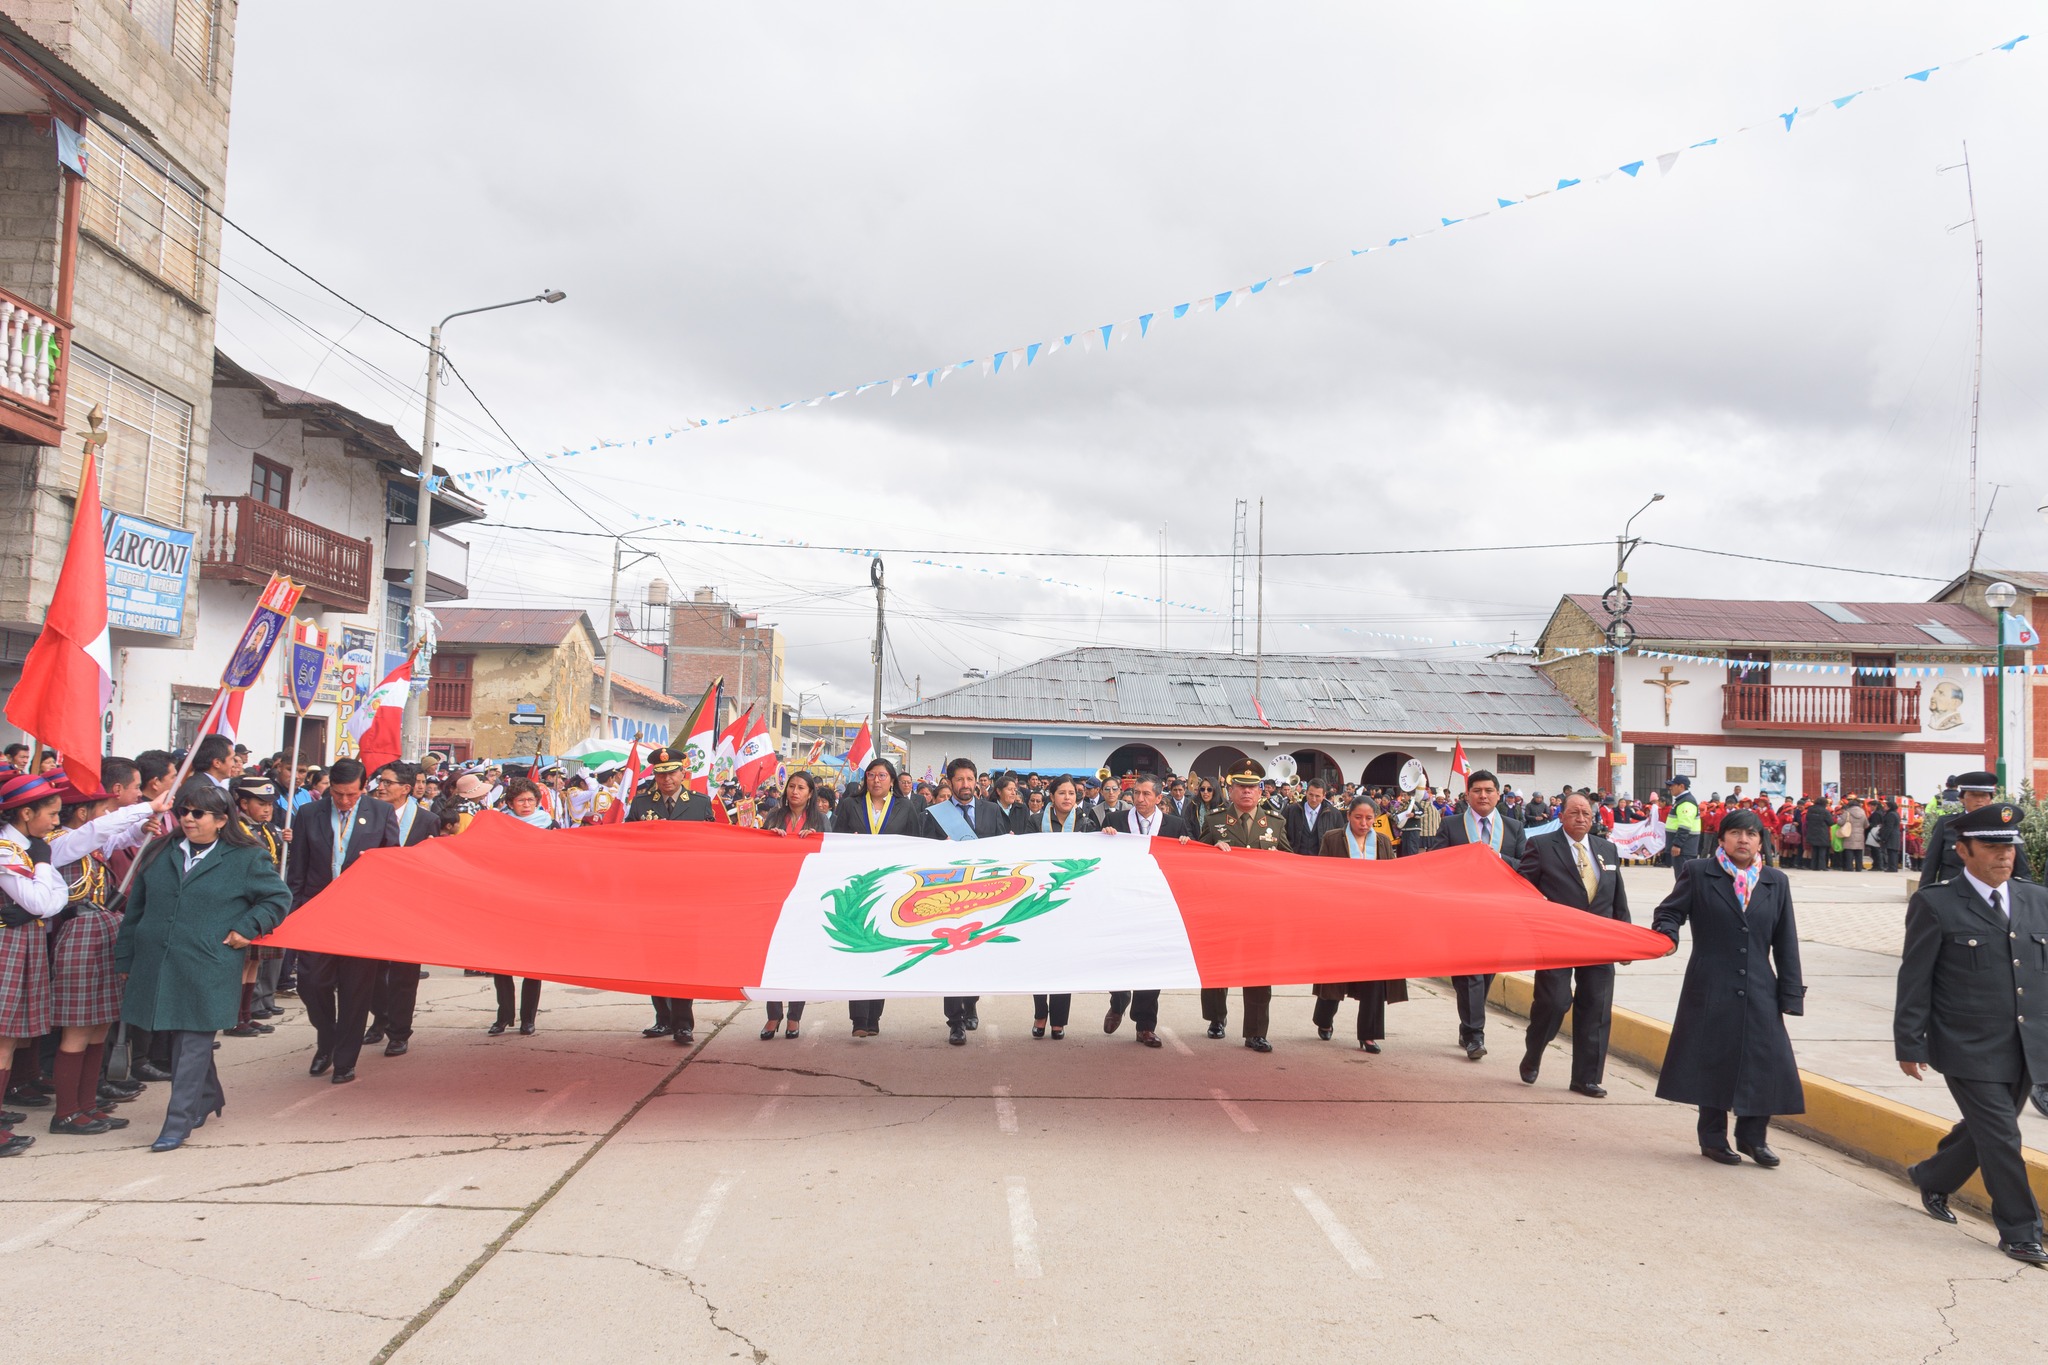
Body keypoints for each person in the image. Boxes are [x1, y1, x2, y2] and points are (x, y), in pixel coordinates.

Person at [1894, 802, 2048, 1264]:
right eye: (1992, 846)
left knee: (1987, 1132)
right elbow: (1915, 978)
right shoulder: (1936, 903)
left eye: (2009, 846)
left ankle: (1933, 1176)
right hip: (1964, 1043)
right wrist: (1909, 1042)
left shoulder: (2037, 900)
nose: (2004, 855)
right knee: (2002, 1136)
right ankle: (2021, 1230)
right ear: (1962, 850)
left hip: (2026, 1045)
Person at [116, 779, 292, 1151]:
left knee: (193, 1042)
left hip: (209, 962)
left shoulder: (246, 857)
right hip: (159, 962)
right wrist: (126, 957)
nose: (188, 819)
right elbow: (136, 910)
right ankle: (208, 1096)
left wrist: (246, 929)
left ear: (221, 818)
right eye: (183, 812)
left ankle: (176, 1124)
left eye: (198, 813)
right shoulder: (160, 850)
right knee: (180, 1035)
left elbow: (277, 898)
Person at [1650, 809, 1806, 1166]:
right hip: (1710, 983)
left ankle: (1753, 1138)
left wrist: (1790, 994)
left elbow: (1786, 942)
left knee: (1766, 1061)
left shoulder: (1775, 881)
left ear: (1760, 841)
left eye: (1751, 834)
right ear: (1721, 839)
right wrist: (1667, 936)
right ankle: (1713, 1138)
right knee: (1713, 1059)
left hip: (1760, 987)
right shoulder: (1699, 873)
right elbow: (1670, 912)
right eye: (1735, 833)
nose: (1743, 840)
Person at [285, 758, 401, 1084]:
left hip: (361, 915)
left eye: (352, 794)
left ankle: (345, 1059)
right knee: (311, 982)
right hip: (317, 910)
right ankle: (327, 1038)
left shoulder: (380, 813)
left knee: (355, 989)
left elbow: (392, 866)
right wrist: (294, 914)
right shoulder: (310, 814)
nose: (345, 801)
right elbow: (298, 870)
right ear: (329, 789)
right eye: (338, 794)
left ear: (364, 788)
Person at [1517, 791, 1633, 1097]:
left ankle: (1586, 1078)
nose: (1581, 819)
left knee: (1596, 1008)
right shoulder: (1541, 846)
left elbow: (1616, 897)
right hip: (1557, 940)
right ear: (1561, 816)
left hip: (1599, 942)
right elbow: (1523, 889)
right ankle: (1534, 1052)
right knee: (1554, 1002)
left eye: (1587, 814)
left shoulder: (1607, 849)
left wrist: (1626, 937)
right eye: (1575, 813)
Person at [1433, 769, 1527, 1060]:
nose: (1483, 795)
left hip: (1499, 913)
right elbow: (1437, 864)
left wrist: (1497, 858)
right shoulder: (1451, 824)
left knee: (1481, 974)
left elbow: (1526, 866)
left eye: (1489, 790)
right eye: (1477, 791)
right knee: (1471, 972)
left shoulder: (1513, 827)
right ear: (1468, 795)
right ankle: (1476, 1036)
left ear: (1499, 794)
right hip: (1461, 912)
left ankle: (1467, 1026)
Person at [831, 758, 926, 1036]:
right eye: (871, 775)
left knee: (880, 949)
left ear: (892, 780)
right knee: (858, 948)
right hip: (858, 886)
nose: (876, 780)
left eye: (882, 775)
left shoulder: (905, 806)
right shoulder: (850, 804)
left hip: (891, 886)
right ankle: (859, 1020)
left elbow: (915, 844)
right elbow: (837, 839)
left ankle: (874, 1018)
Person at [624, 748, 713, 1044]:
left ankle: (683, 1023)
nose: (666, 778)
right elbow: (624, 844)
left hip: (688, 895)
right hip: (652, 895)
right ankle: (662, 1018)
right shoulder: (640, 805)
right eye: (661, 773)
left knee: (684, 959)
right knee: (654, 958)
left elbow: (717, 846)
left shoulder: (700, 804)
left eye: (672, 772)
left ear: (683, 774)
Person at [1197, 761, 1285, 1052]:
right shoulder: (1214, 820)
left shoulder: (1275, 822)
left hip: (1261, 911)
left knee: (1259, 972)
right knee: (1217, 968)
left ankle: (1256, 1032)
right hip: (1223, 908)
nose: (1247, 792)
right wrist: (1212, 854)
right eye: (1241, 787)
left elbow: (1290, 862)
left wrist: (1277, 861)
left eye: (1253, 787)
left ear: (1260, 791)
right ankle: (1216, 1018)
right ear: (1231, 790)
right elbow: (1196, 862)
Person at [923, 757, 1010, 1043]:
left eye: (970, 779)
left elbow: (1003, 850)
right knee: (951, 958)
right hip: (949, 897)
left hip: (985, 895)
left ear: (976, 781)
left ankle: (971, 1000)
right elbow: (923, 855)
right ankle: (955, 1022)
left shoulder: (992, 810)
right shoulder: (935, 814)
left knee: (979, 957)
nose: (965, 785)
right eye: (959, 780)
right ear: (949, 782)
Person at [1311, 796, 1407, 1053]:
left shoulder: (1384, 842)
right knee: (1335, 976)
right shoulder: (1333, 838)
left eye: (1368, 819)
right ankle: (1324, 1019)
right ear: (1348, 816)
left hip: (1375, 921)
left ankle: (1369, 1035)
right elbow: (1322, 875)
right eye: (1358, 817)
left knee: (1374, 978)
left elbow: (1391, 878)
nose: (1363, 824)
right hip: (1341, 918)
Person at [1100, 776, 1188, 1048]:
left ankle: (1145, 1025)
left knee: (1152, 963)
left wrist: (1185, 844)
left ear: (1159, 798)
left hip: (1157, 904)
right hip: (1122, 902)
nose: (1140, 799)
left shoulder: (1175, 826)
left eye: (1147, 794)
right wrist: (1104, 838)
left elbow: (1189, 862)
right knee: (1118, 957)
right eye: (1136, 793)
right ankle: (1118, 1000)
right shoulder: (1116, 822)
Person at [362, 761, 440, 1055]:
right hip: (374, 903)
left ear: (405, 789)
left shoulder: (426, 820)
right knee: (370, 972)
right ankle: (381, 1017)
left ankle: (399, 1031)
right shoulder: (367, 814)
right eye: (379, 781)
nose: (380, 787)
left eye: (386, 782)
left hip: (410, 906)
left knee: (404, 975)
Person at [759, 771, 825, 1038]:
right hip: (776, 894)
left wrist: (816, 839)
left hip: (806, 897)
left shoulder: (820, 820)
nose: (794, 792)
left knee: (799, 959)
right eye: (791, 787)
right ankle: (773, 1016)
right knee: (774, 958)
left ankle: (794, 1017)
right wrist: (770, 837)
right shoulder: (774, 816)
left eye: (801, 788)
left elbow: (830, 855)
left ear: (810, 793)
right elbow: (759, 853)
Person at [223, 775, 288, 1038]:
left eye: (270, 803)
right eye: (260, 802)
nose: (267, 808)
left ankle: (247, 1014)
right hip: (246, 904)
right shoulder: (235, 830)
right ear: (243, 802)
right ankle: (233, 1017)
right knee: (241, 964)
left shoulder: (270, 829)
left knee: (254, 963)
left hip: (264, 902)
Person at [1919, 772, 2032, 888]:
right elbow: (1931, 864)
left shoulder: (2006, 827)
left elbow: (2021, 868)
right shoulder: (1946, 824)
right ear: (1961, 798)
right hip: (1952, 893)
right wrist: (1924, 894)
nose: (1979, 800)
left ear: (1990, 799)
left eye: (1984, 796)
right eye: (1973, 795)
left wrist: (2027, 896)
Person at [1286, 778, 1343, 857]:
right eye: (1311, 795)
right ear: (1306, 792)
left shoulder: (1334, 814)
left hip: (1322, 862)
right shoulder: (1291, 810)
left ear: (1324, 795)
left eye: (1317, 796)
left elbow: (1339, 840)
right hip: (1294, 859)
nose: (1313, 799)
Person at [1665, 775, 1701, 876]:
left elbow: (1685, 826)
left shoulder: (1686, 802)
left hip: (1684, 849)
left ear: (1681, 786)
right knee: (1683, 879)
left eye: (1672, 785)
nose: (1670, 788)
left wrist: (1677, 844)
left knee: (1683, 879)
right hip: (1684, 849)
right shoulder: (1682, 801)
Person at [1801, 798, 1834, 873]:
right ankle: (1822, 866)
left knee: (1814, 849)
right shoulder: (1825, 811)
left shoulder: (1810, 810)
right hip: (1822, 832)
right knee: (1822, 850)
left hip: (1812, 831)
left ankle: (1814, 866)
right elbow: (1831, 822)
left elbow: (1808, 819)